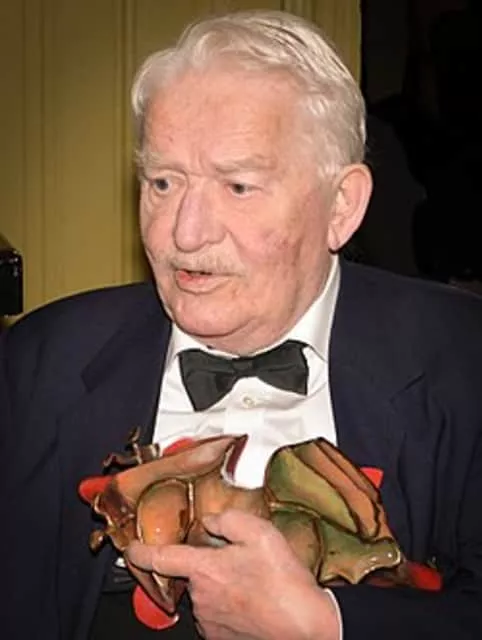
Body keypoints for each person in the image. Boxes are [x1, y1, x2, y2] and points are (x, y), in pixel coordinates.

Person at [1, 9, 482, 640]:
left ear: (342, 206)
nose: (185, 233)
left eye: (238, 186)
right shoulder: (44, 359)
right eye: (163, 182)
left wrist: (330, 625)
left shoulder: (461, 354)